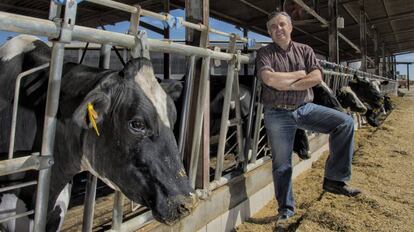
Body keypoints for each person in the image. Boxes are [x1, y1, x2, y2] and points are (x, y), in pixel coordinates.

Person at [255, 11, 361, 222]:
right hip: (277, 114)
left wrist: (288, 82)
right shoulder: (264, 53)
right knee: (282, 165)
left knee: (346, 123)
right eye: (273, 27)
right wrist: (298, 75)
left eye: (282, 24)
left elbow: (316, 77)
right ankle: (285, 210)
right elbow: (269, 79)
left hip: (304, 108)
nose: (279, 29)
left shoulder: (305, 50)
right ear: (269, 32)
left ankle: (335, 179)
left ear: (291, 27)